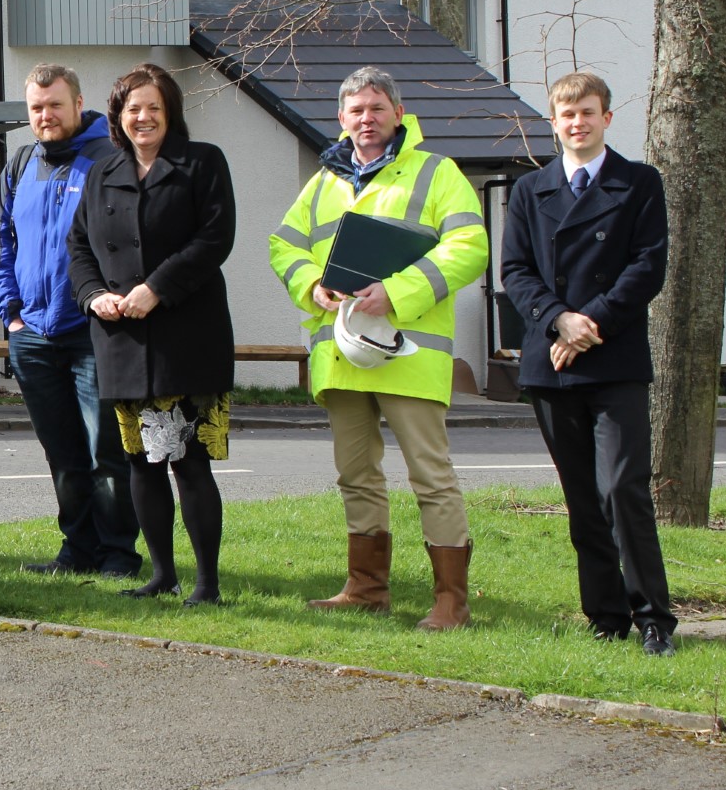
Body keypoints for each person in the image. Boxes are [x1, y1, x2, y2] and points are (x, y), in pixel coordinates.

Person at [267, 66, 488, 630]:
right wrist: (312, 285)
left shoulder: (437, 172)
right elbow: (284, 245)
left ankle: (451, 602)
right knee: (356, 474)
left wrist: (395, 292)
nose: (367, 119)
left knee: (430, 476)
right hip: (342, 353)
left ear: (398, 112)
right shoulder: (323, 182)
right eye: (356, 111)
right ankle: (367, 587)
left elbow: (470, 246)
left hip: (407, 351)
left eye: (376, 108)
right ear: (341, 119)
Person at [500, 72, 675, 656]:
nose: (578, 123)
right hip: (551, 364)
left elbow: (647, 267)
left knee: (624, 489)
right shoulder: (530, 190)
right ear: (554, 122)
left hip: (615, 359)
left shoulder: (639, 183)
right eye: (567, 114)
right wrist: (558, 319)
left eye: (588, 113)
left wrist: (587, 323)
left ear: (606, 118)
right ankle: (605, 616)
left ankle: (653, 618)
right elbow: (516, 271)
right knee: (581, 498)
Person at [68, 65, 235, 604]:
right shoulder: (101, 172)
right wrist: (95, 295)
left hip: (185, 337)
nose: (143, 117)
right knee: (141, 462)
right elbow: (79, 248)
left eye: (153, 108)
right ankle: (162, 574)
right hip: (121, 341)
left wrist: (156, 288)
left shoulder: (201, 162)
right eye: (132, 108)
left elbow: (215, 238)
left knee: (188, 462)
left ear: (171, 112)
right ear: (118, 115)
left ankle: (206, 584)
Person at [0, 62, 141, 577]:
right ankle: (76, 552)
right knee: (63, 456)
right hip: (32, 335)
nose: (45, 115)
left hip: (94, 333)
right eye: (36, 107)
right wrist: (10, 313)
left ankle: (118, 555)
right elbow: (1, 243)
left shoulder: (111, 159)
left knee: (108, 454)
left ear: (79, 103)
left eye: (55, 104)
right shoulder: (21, 164)